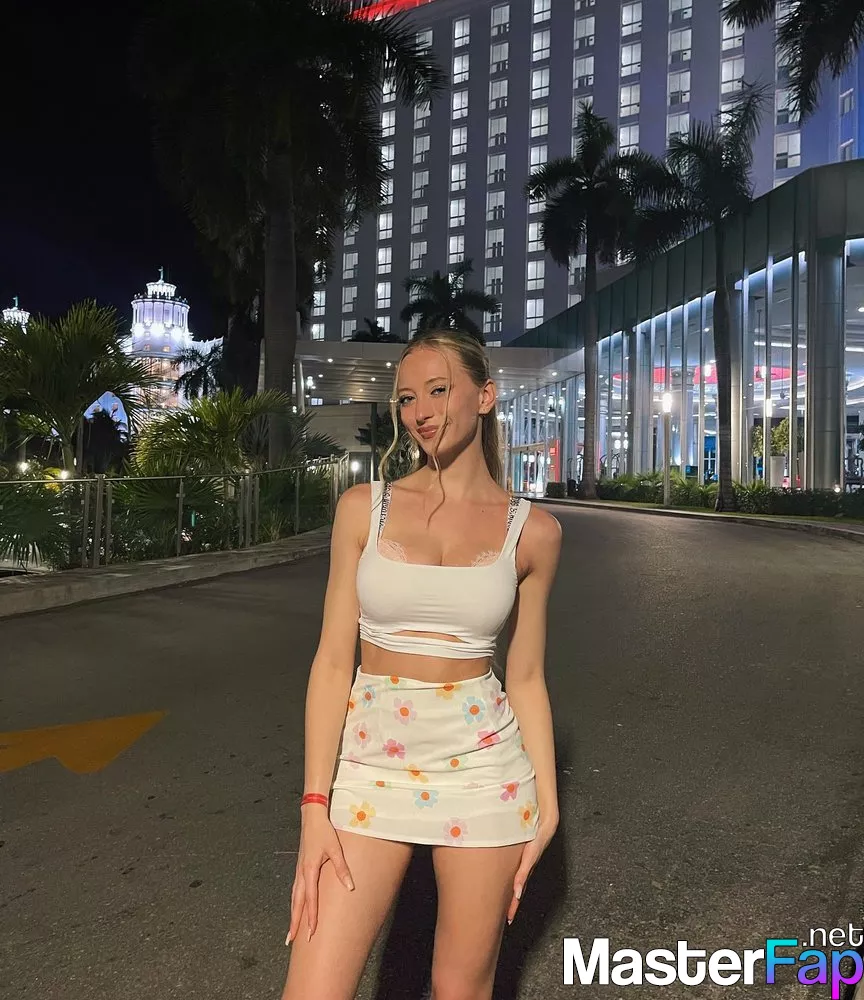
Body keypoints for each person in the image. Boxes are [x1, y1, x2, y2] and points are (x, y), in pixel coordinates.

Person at [280, 328, 562, 1000]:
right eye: (407, 398)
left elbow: (525, 676)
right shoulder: (363, 509)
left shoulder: (536, 532)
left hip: (484, 773)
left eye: (439, 390)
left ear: (485, 396)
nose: (421, 412)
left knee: (459, 987)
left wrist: (549, 805)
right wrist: (315, 805)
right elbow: (332, 662)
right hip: (370, 766)